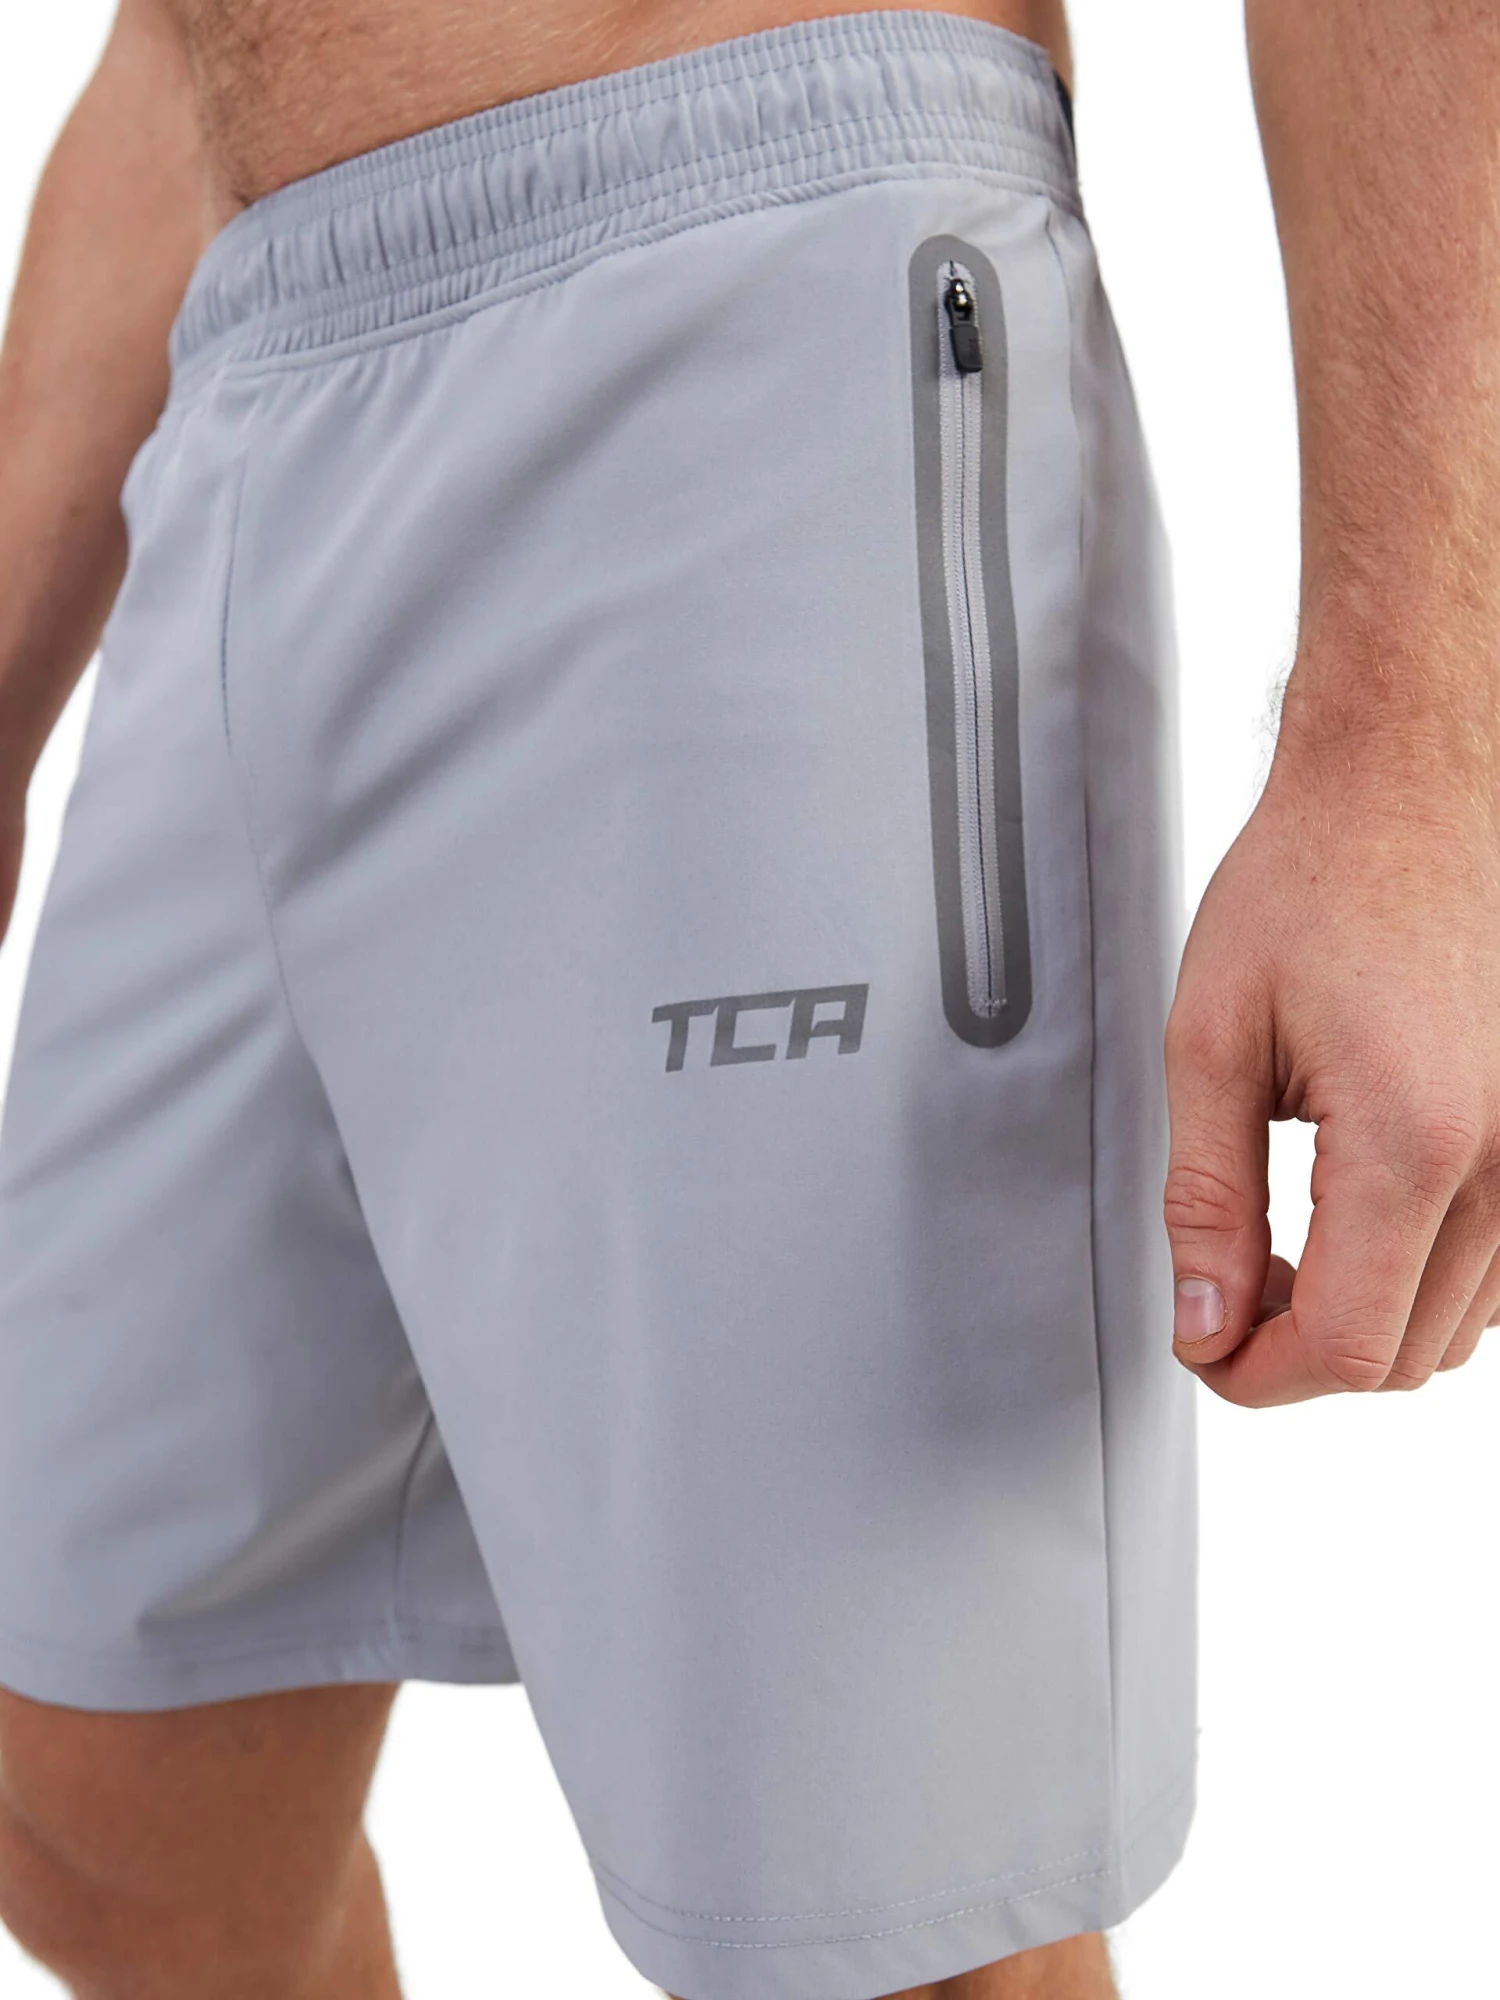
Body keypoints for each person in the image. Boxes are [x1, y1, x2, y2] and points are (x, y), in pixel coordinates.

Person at [1, 2, 1497, 1996]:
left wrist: (1416, 739)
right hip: (247, 385)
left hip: (746, 285)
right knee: (101, 1777)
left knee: (888, 1919)